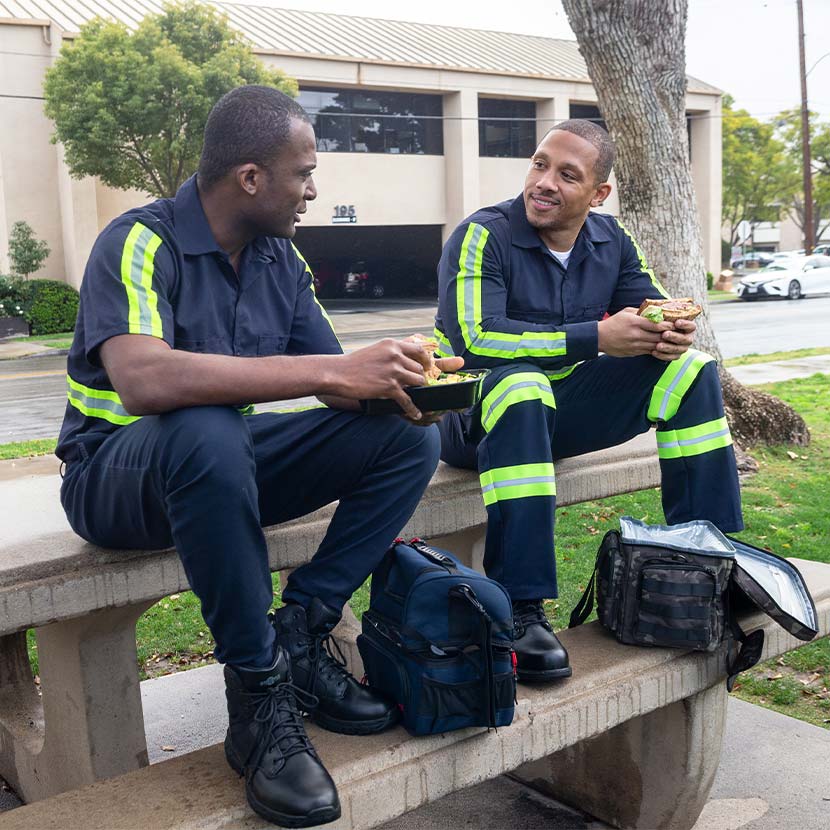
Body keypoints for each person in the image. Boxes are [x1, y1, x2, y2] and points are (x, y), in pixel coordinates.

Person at [56, 85, 462, 828]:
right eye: (303, 172)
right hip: (113, 477)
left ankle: (302, 632)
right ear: (251, 178)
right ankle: (258, 696)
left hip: (220, 465)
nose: (314, 189)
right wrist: (332, 372)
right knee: (205, 425)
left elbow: (335, 381)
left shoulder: (283, 259)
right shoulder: (139, 240)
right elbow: (143, 380)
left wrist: (401, 371)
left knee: (408, 439)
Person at [433, 119, 743, 682]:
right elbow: (473, 340)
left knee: (691, 371)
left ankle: (708, 564)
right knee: (521, 383)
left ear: (598, 194)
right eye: (539, 163)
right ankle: (520, 608)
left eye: (566, 175)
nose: (543, 182)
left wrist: (668, 332)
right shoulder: (484, 233)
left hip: (553, 414)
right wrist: (594, 337)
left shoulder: (611, 238)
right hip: (470, 417)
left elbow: (648, 305)